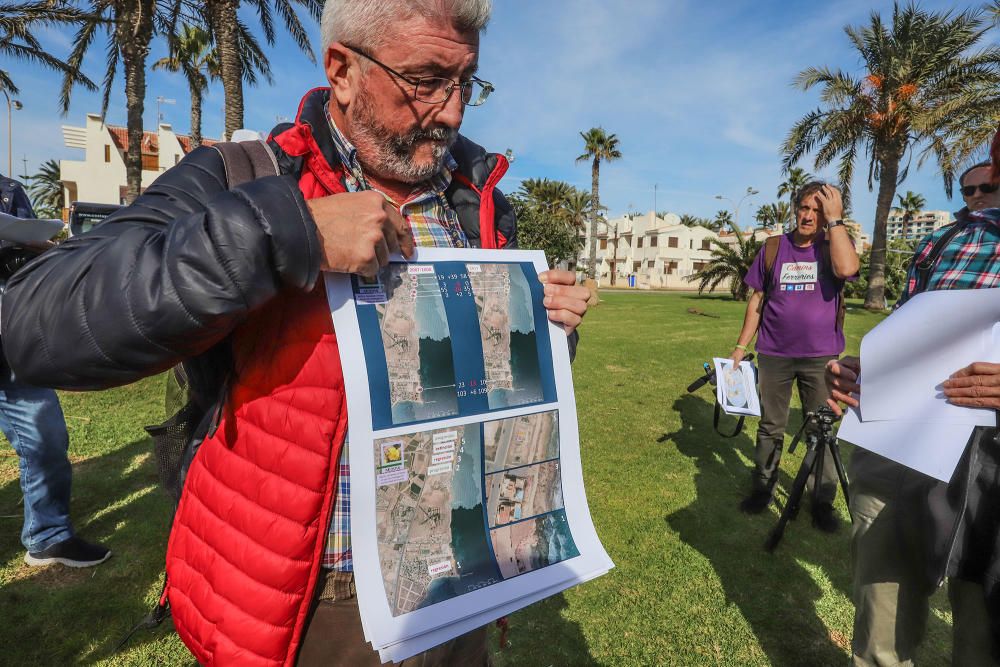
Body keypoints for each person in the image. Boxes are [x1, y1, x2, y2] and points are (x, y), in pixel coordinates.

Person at [0, 1, 590, 664]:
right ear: (341, 69)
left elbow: (487, 382)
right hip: (315, 607)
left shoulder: (478, 201)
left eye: (465, 83)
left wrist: (547, 332)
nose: (451, 111)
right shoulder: (247, 175)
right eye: (425, 81)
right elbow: (36, 320)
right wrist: (287, 233)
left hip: (457, 581)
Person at [827, 149, 1000, 665]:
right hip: (901, 447)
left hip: (991, 464)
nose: (976, 194)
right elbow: (912, 335)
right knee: (883, 608)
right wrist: (875, 369)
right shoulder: (941, 240)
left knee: (982, 628)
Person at [729, 181, 859, 530]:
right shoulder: (774, 248)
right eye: (804, 207)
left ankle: (822, 501)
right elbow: (756, 301)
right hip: (774, 353)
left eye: (817, 210)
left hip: (822, 357)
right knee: (772, 425)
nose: (808, 215)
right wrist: (741, 346)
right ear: (794, 208)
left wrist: (835, 222)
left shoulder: (834, 246)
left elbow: (847, 271)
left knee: (823, 428)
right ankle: (763, 486)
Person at [0, 174, 110, 568]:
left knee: (46, 437)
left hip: (9, 345)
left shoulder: (9, 191)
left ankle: (47, 535)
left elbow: (31, 256)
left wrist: (44, 251)